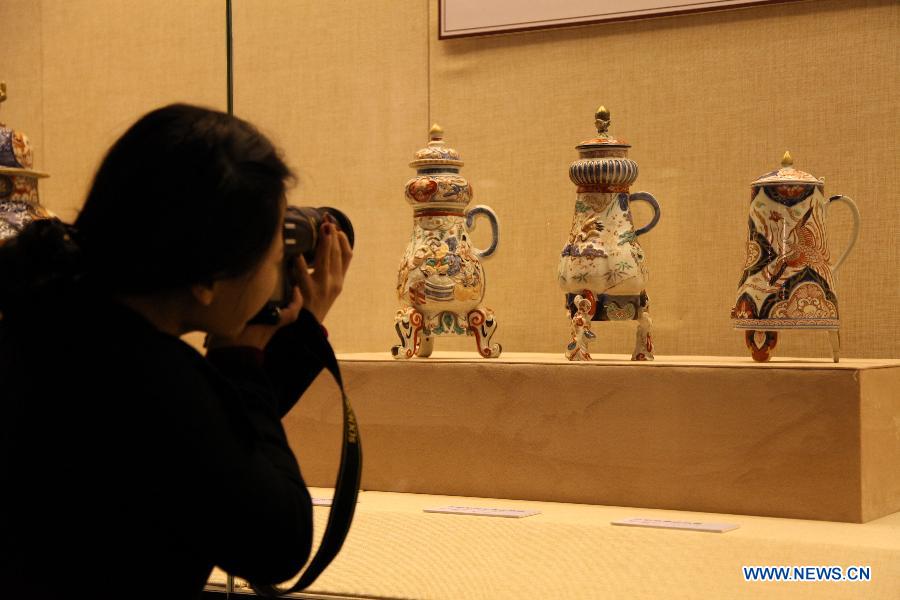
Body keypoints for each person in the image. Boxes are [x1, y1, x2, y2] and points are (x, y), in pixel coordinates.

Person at [0, 104, 352, 598]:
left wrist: (258, 350)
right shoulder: (149, 379)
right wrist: (241, 356)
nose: (279, 272)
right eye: (274, 258)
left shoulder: (50, 321)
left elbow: (214, 464)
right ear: (208, 278)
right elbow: (277, 543)